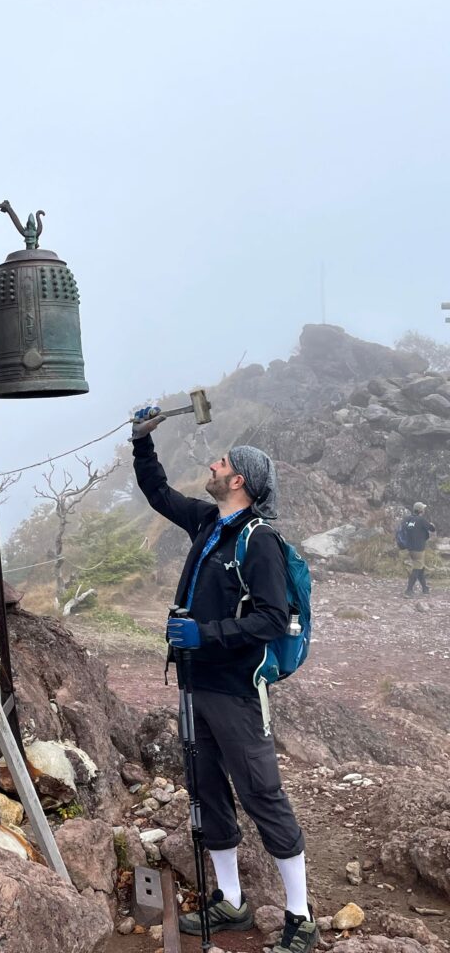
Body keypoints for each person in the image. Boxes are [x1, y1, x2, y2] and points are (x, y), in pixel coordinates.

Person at [131, 406, 317, 953]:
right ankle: (231, 902)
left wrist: (204, 634)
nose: (212, 465)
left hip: (235, 689)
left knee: (261, 794)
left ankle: (301, 918)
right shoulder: (210, 523)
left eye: (222, 462)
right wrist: (141, 440)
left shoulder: (257, 541)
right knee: (207, 790)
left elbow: (271, 617)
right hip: (196, 686)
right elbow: (158, 492)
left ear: (238, 481)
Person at [402, 502, 436, 596]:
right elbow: (432, 529)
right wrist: (432, 525)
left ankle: (425, 588)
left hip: (410, 547)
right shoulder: (421, 520)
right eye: (423, 509)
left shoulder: (409, 519)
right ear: (421, 510)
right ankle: (408, 591)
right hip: (418, 548)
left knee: (420, 567)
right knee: (417, 567)